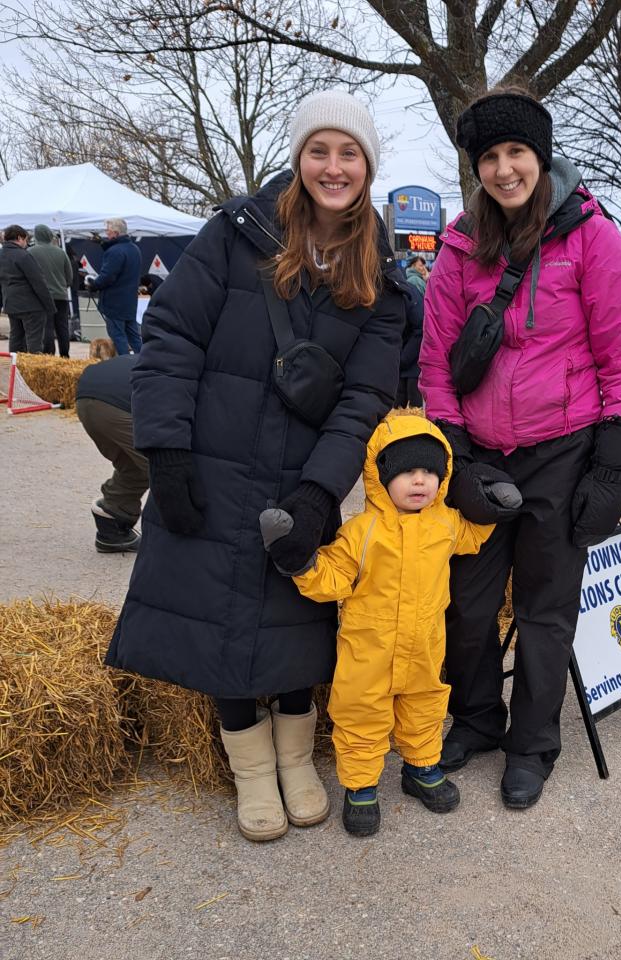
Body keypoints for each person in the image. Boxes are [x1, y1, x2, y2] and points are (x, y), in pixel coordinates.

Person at [104, 90, 406, 843]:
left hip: (293, 474)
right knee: (216, 616)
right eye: (319, 150)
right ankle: (250, 773)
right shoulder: (234, 235)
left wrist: (317, 491)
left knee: (294, 622)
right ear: (299, 159)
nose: (333, 167)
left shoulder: (381, 276)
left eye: (349, 153)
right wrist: (165, 450)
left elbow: (365, 397)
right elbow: (170, 337)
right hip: (209, 457)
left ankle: (298, 762)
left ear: (367, 167)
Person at [419, 87, 621, 809]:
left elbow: (620, 356)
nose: (504, 168)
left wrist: (611, 467)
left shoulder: (593, 236)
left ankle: (533, 743)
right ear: (476, 167)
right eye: (489, 157)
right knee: (468, 603)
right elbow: (435, 360)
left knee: (546, 608)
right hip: (483, 451)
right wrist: (453, 450)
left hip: (562, 448)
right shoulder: (459, 245)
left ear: (540, 157)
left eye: (517, 152)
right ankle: (479, 718)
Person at [267, 416, 517, 836]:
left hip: (424, 647)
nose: (420, 482)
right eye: (406, 472)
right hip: (369, 650)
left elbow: (473, 536)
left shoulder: (445, 524)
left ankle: (421, 767)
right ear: (381, 476)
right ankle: (361, 786)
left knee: (425, 705)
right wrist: (300, 562)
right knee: (361, 713)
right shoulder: (363, 532)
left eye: (430, 473)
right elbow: (333, 576)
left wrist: (493, 504)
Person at [76, 354, 147, 553]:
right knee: (167, 467)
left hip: (86, 395)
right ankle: (185, 539)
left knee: (133, 466)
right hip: (120, 402)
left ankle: (112, 525)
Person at [85, 218, 143, 355]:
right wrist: (102, 243)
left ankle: (124, 365)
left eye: (108, 231)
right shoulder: (135, 249)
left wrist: (94, 285)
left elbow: (107, 277)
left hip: (114, 302)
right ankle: (145, 363)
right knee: (134, 337)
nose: (106, 234)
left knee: (118, 337)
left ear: (115, 233)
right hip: (129, 301)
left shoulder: (115, 252)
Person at [0, 225, 55, 353]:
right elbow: (38, 282)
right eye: (26, 240)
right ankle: (33, 370)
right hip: (30, 305)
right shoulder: (23, 255)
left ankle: (16, 368)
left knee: (16, 337)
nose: (26, 243)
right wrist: (49, 305)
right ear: (19, 238)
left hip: (11, 302)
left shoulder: (1, 255)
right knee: (34, 341)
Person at [28, 224, 74, 357]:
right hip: (61, 296)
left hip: (41, 297)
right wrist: (62, 286)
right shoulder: (61, 252)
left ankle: (49, 355)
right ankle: (65, 355)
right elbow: (69, 277)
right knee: (62, 327)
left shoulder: (31, 252)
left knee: (47, 327)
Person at [395, 278, 424, 407]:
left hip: (411, 357)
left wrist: (402, 359)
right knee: (398, 399)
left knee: (413, 400)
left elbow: (420, 328)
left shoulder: (407, 292)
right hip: (402, 355)